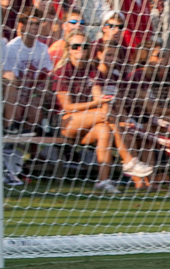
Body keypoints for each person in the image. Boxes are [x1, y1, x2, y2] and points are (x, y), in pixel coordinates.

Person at [53, 34, 153, 194]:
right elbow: (68, 106)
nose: (80, 49)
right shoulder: (64, 71)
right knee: (105, 114)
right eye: (75, 46)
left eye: (84, 46)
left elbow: (99, 96)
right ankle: (128, 161)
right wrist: (97, 104)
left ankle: (103, 181)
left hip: (94, 121)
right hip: (69, 121)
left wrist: (105, 105)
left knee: (105, 130)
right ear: (68, 49)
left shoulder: (92, 71)